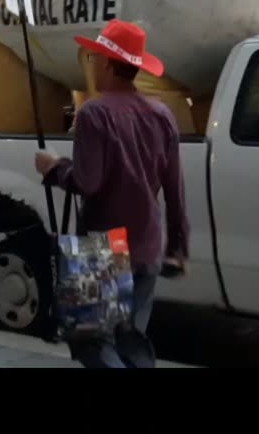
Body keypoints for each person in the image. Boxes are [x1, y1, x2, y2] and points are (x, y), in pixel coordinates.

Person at [33, 19, 189, 369]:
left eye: (92, 58)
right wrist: (178, 245)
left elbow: (87, 182)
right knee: (131, 340)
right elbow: (175, 187)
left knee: (93, 344)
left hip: (101, 246)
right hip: (147, 242)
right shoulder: (161, 114)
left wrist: (54, 168)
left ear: (105, 63)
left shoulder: (95, 112)